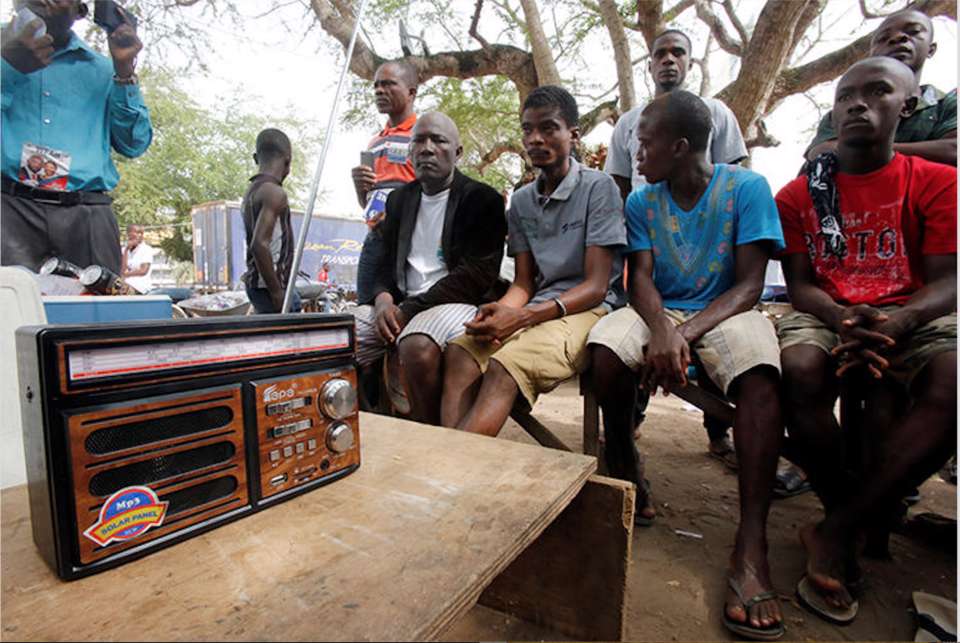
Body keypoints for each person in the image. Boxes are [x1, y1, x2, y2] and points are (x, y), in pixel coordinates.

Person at [588, 90, 787, 640]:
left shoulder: (747, 188)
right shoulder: (642, 201)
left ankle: (751, 543)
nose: (635, 154)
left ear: (679, 147)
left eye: (644, 143)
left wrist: (682, 335)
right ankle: (625, 458)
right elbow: (640, 278)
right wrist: (660, 328)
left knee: (760, 375)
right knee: (606, 353)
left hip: (727, 309)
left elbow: (750, 285)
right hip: (661, 311)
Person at [776, 57, 956, 626]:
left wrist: (899, 322)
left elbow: (949, 280)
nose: (858, 103)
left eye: (877, 91)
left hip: (913, 312)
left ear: (908, 106)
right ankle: (848, 511)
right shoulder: (799, 195)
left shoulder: (937, 181)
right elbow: (800, 286)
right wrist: (839, 316)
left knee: (953, 382)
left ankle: (836, 529)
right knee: (798, 369)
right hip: (830, 312)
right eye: (845, 95)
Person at [442, 86, 626, 437]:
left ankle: (453, 466)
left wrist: (523, 317)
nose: (535, 139)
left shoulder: (598, 188)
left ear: (573, 135)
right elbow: (524, 283)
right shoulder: (523, 201)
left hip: (590, 310)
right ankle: (457, 461)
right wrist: (501, 312)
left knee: (505, 366)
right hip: (539, 305)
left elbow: (596, 286)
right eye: (527, 129)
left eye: (548, 128)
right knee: (461, 352)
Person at [605, 29, 748, 465]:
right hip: (650, 240)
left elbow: (732, 174)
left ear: (690, 61)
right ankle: (629, 424)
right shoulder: (628, 124)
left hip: (706, 251)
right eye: (660, 53)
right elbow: (620, 185)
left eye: (678, 52)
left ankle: (718, 428)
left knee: (720, 341)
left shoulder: (715, 113)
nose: (669, 59)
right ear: (649, 64)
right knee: (632, 337)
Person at [352, 112, 506, 424]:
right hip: (401, 305)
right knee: (332, 337)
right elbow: (384, 262)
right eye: (419, 141)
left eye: (438, 140)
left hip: (457, 303)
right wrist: (382, 299)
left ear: (457, 152)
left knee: (417, 344)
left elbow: (476, 275)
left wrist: (408, 310)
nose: (427, 148)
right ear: (410, 151)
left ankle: (428, 432)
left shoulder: (482, 199)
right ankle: (363, 426)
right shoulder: (399, 200)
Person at [1, 0, 152, 274]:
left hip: (87, 217)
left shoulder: (103, 70)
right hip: (9, 210)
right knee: (10, 300)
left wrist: (124, 71)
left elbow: (134, 144)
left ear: (80, 11)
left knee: (95, 301)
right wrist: (7, 67)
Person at [805, 9, 956, 167]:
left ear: (931, 49)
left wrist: (868, 150)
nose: (897, 37)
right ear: (873, 53)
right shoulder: (845, 109)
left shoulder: (947, 105)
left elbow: (953, 150)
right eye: (883, 38)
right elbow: (821, 151)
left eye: (914, 31)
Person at [352, 60, 418, 305]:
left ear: (411, 92)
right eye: (376, 86)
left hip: (409, 242)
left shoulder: (422, 137)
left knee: (403, 310)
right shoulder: (374, 142)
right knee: (366, 309)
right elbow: (368, 203)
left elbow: (435, 193)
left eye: (389, 84)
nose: (380, 90)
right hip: (376, 239)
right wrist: (360, 189)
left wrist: (398, 215)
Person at [241, 129, 298, 314]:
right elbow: (259, 244)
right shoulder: (274, 193)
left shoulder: (251, 191)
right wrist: (277, 292)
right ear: (287, 162)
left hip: (257, 285)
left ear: (255, 158)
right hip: (269, 286)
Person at [120, 223, 154, 294]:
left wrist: (126, 274)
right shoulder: (124, 250)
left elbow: (143, 271)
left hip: (140, 287)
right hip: (124, 284)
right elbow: (122, 270)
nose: (140, 235)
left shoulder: (146, 249)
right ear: (128, 234)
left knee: (122, 292)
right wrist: (126, 250)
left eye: (141, 233)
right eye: (137, 232)